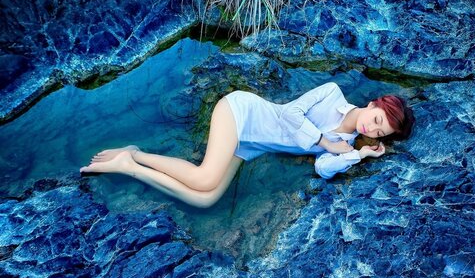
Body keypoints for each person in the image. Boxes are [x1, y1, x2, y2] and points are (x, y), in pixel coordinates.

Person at [80, 82, 415, 208]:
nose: (372, 128)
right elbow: (290, 114)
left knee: (206, 199)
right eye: (377, 119)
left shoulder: (348, 143)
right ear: (373, 105)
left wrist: (356, 154)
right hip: (243, 114)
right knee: (205, 179)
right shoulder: (331, 94)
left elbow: (322, 169)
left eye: (380, 133)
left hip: (253, 145)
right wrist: (323, 140)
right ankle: (132, 159)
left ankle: (132, 160)